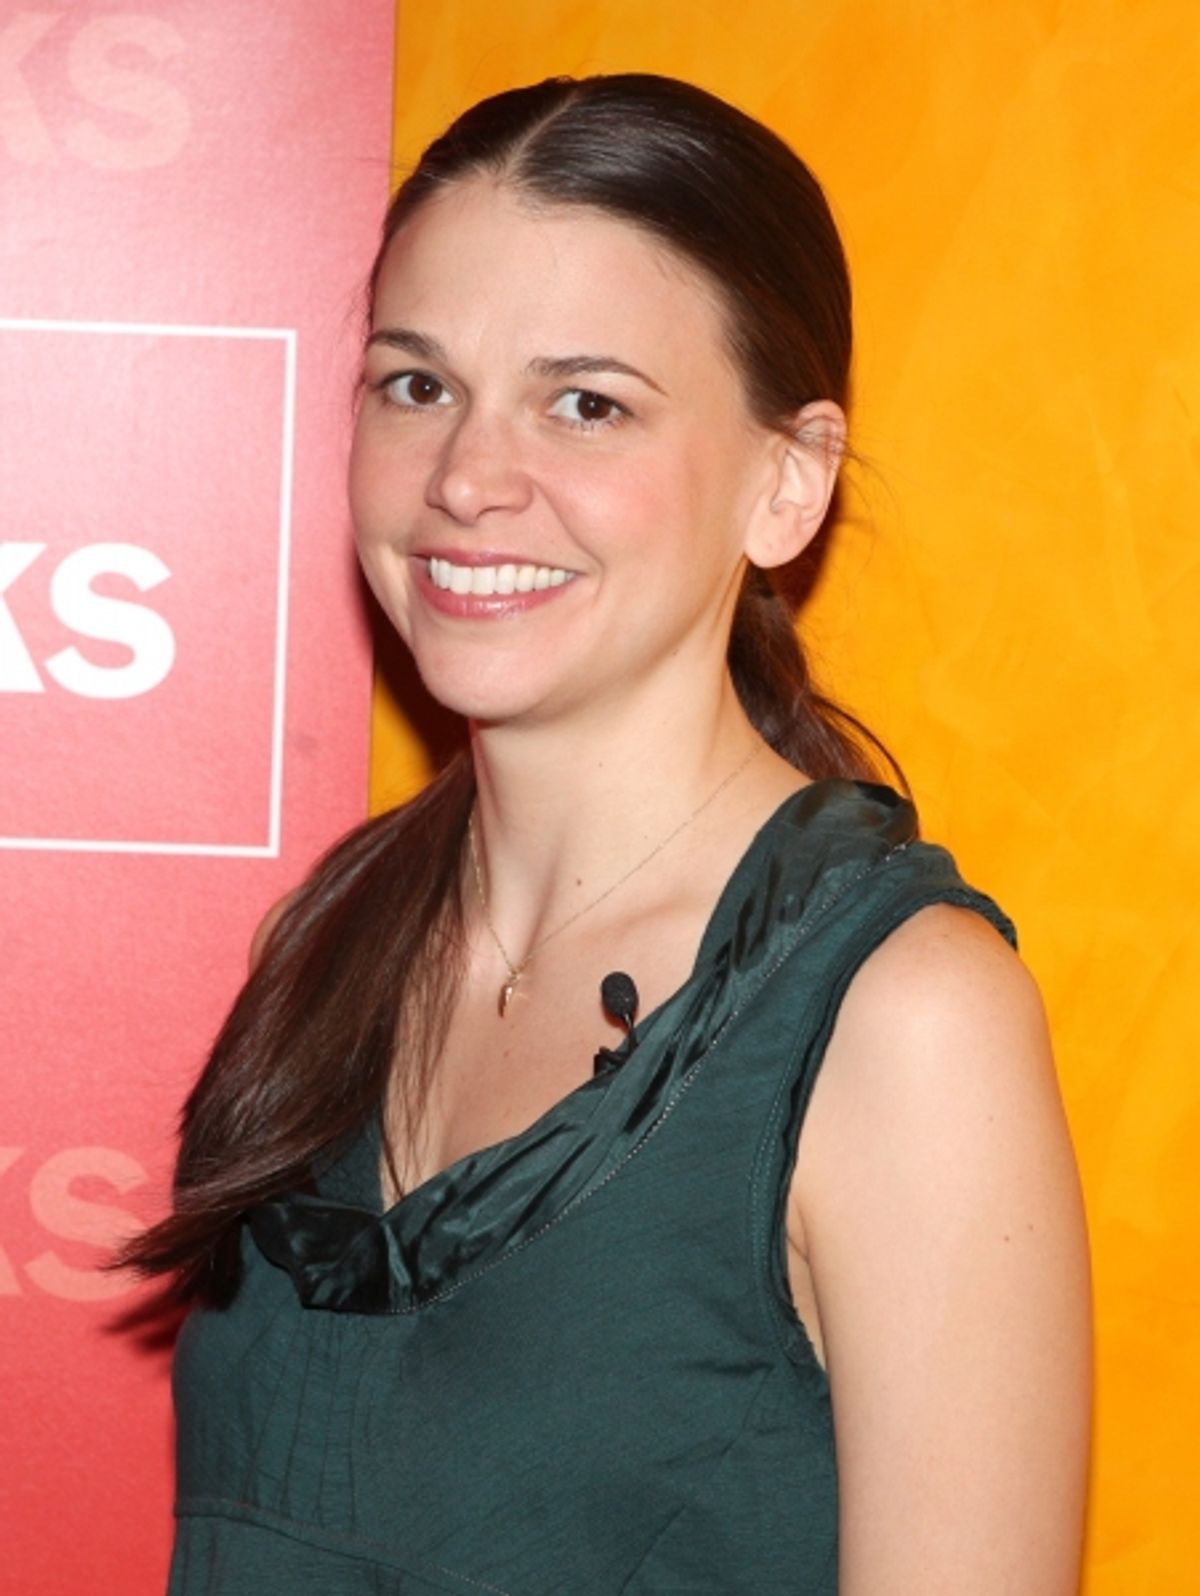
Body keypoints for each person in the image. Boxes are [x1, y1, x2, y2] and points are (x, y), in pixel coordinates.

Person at [122, 73, 1092, 1595]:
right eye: (416, 384)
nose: (466, 481)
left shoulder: (900, 1026)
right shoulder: (324, 950)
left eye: (588, 403)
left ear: (788, 481)